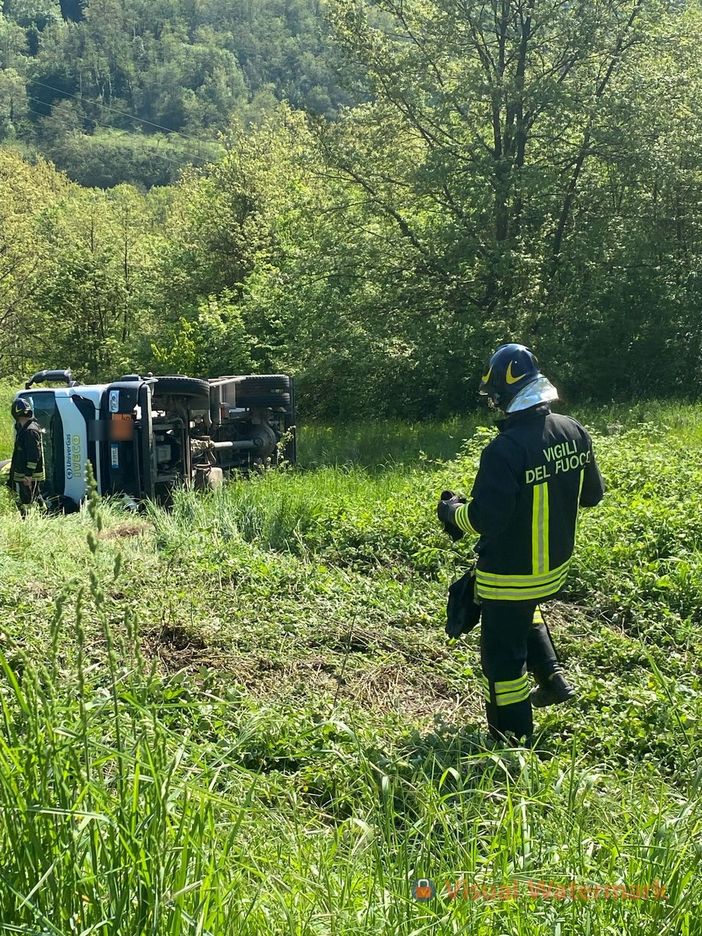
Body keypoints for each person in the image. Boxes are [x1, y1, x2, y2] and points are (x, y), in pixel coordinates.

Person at [437, 343, 604, 744]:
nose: (493, 403)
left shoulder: (505, 449)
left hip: (510, 574)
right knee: (523, 610)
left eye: (495, 396)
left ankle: (511, 741)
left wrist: (451, 512)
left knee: (501, 662)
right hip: (554, 568)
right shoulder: (572, 429)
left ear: (508, 395)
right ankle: (552, 677)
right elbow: (592, 495)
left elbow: (483, 519)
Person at [8, 397, 46, 511]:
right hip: (24, 473)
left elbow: (34, 455)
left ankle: (30, 520)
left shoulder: (30, 431)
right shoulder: (25, 428)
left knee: (28, 500)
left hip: (27, 475)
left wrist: (28, 474)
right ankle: (42, 514)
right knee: (35, 497)